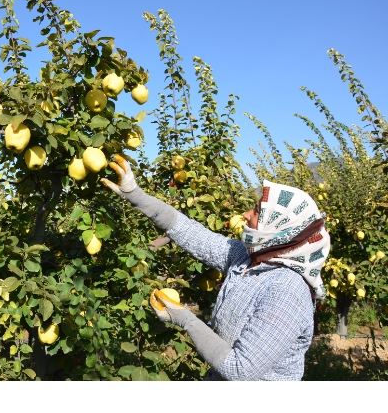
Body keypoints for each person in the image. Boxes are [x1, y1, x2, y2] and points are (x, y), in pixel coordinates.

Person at [101, 155, 330, 381]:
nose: (246, 215)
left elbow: (241, 370)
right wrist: (136, 195)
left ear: (280, 227)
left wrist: (185, 319)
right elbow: (190, 232)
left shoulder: (287, 292)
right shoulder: (248, 258)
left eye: (258, 211)